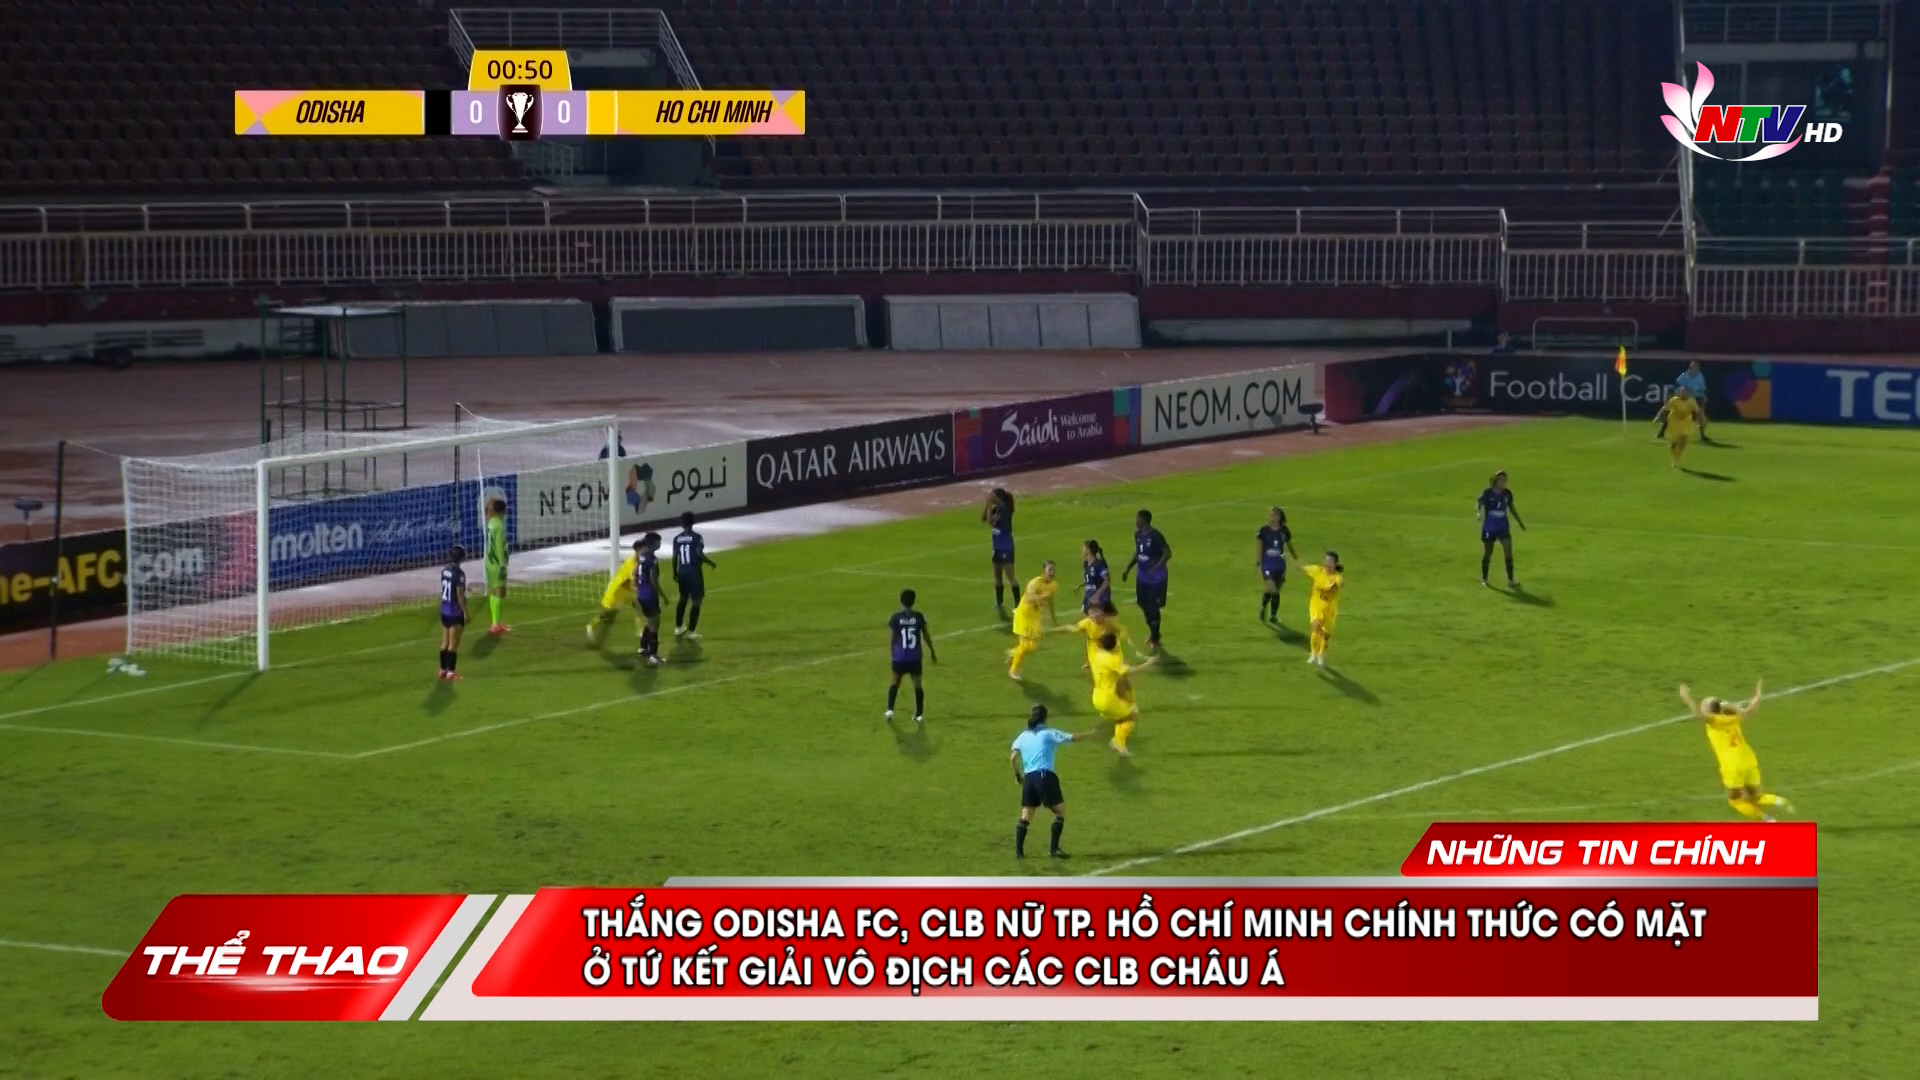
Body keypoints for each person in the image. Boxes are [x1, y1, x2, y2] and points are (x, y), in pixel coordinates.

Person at [1679, 680, 1794, 822]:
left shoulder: (1714, 722)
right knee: (1757, 796)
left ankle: (1768, 820)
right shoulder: (1734, 716)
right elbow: (1750, 710)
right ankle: (1780, 801)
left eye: (1703, 705)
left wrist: (1688, 699)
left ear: (1709, 711)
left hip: (1732, 766)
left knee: (1735, 801)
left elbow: (1700, 715)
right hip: (1748, 760)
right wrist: (1758, 694)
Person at [1008, 704, 1101, 859]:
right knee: (1059, 812)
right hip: (1045, 776)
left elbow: (1012, 759)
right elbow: (1072, 738)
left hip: (1029, 779)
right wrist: (1091, 733)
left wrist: (1017, 775)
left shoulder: (1023, 736)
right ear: (1045, 718)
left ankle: (1019, 853)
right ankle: (1054, 849)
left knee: (1026, 816)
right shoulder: (1049, 733)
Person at [1091, 630, 1157, 757]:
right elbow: (1130, 671)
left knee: (1121, 718)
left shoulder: (1096, 655)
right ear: (1114, 645)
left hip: (1096, 696)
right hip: (1108, 699)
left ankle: (1117, 742)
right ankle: (1117, 743)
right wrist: (1148, 663)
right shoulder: (1111, 660)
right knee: (1132, 715)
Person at [1120, 509, 1172, 650]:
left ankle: (1155, 638)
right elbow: (1139, 552)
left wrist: (1154, 569)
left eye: (1137, 519)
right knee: (1142, 604)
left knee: (1153, 607)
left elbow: (1167, 553)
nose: (1135, 521)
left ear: (1144, 520)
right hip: (1142, 577)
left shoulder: (1155, 535)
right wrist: (1128, 568)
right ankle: (1154, 632)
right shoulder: (1138, 535)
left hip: (1156, 579)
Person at [886, 588, 936, 724]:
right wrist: (932, 651)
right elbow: (926, 636)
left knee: (894, 683)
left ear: (900, 601)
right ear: (913, 601)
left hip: (900, 657)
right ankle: (919, 714)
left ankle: (890, 709)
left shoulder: (895, 618)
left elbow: (892, 639)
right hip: (915, 657)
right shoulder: (919, 616)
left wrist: (892, 655)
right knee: (917, 685)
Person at [1006, 560, 1059, 680]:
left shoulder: (1053, 585)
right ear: (1044, 571)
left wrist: (1053, 618)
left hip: (1035, 617)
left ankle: (1013, 653)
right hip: (1024, 614)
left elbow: (1051, 601)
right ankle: (1013, 670)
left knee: (1032, 646)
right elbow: (1029, 598)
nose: (1052, 572)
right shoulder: (1035, 583)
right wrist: (1042, 596)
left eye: (1054, 570)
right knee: (1025, 645)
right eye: (1050, 569)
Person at [586, 537, 642, 648]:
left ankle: (641, 633)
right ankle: (591, 626)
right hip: (617, 592)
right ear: (637, 550)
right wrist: (639, 589)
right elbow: (631, 581)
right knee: (608, 617)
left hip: (627, 591)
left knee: (639, 608)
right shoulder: (632, 564)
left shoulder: (638, 560)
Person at [1475, 471, 1526, 589]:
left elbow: (1511, 507)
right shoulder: (1488, 493)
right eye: (1502, 479)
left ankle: (1510, 580)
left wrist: (1519, 521)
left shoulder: (1507, 493)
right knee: (1488, 552)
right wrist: (1478, 513)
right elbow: (1479, 503)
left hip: (1503, 527)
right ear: (1496, 481)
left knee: (1508, 551)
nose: (1504, 482)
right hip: (1490, 527)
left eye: (1505, 480)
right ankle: (1484, 578)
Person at [672, 512, 717, 640]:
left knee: (683, 598)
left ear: (681, 523)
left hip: (682, 570)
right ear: (693, 522)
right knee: (697, 600)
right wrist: (710, 562)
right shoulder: (696, 537)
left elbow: (675, 556)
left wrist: (674, 572)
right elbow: (699, 554)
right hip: (694, 571)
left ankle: (678, 627)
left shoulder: (677, 538)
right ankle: (691, 631)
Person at [1057, 598, 1133, 670]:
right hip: (1094, 645)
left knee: (1112, 662)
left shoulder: (1108, 622)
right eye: (1092, 612)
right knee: (1097, 664)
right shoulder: (1087, 622)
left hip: (1109, 644)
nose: (1095, 615)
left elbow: (1119, 630)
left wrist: (1121, 636)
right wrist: (1061, 629)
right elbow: (1074, 628)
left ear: (1103, 613)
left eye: (1097, 612)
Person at [1255, 507, 1300, 623]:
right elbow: (1259, 547)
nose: (1270, 517)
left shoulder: (1284, 531)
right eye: (1270, 515)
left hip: (1280, 565)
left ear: (1279, 518)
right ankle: (1265, 609)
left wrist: (1296, 558)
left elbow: (1290, 545)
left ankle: (1272, 614)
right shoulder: (1263, 531)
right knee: (1273, 589)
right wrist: (1258, 563)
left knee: (1275, 591)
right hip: (1267, 565)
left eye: (1273, 515)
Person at [1301, 551, 1345, 667]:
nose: (1327, 563)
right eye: (1326, 560)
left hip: (1330, 608)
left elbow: (1341, 583)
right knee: (1316, 627)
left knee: (1326, 634)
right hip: (1316, 605)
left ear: (1335, 564)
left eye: (1330, 561)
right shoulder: (1318, 571)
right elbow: (1304, 567)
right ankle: (1313, 653)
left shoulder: (1336, 577)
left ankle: (1321, 653)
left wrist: (1336, 585)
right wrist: (1294, 561)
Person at [633, 533, 667, 664]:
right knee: (654, 624)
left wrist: (638, 588)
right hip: (650, 595)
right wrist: (663, 596)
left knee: (650, 621)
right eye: (658, 542)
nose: (660, 544)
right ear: (653, 544)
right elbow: (653, 580)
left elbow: (635, 573)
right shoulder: (652, 559)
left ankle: (642, 647)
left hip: (641, 594)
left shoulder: (641, 556)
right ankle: (653, 655)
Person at [983, 488, 1017, 616]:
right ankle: (999, 603)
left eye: (991, 495)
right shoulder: (996, 509)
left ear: (997, 497)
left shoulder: (1005, 509)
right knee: (997, 576)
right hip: (996, 547)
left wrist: (988, 504)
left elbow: (990, 521)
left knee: (1011, 577)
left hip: (1006, 547)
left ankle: (1018, 604)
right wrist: (987, 505)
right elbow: (985, 519)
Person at [437, 544, 468, 681]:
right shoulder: (459, 574)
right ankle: (451, 672)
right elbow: (459, 595)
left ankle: (442, 670)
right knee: (453, 645)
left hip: (444, 610)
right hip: (455, 612)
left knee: (444, 642)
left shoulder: (445, 571)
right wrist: (465, 612)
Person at [1654, 387, 1704, 470]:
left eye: (1685, 392)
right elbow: (1665, 408)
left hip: (1686, 422)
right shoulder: (1674, 400)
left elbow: (1697, 411)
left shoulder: (1692, 401)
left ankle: (1677, 460)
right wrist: (1658, 416)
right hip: (1674, 423)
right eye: (1682, 392)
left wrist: (1698, 421)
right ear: (1679, 393)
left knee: (1683, 440)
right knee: (1673, 444)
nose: (1684, 393)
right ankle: (1675, 457)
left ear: (1688, 393)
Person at [482, 497, 510, 635]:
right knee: (501, 591)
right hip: (496, 564)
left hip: (488, 562)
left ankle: (495, 622)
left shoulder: (491, 522)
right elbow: (499, 546)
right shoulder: (499, 525)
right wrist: (503, 566)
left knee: (493, 591)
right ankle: (495, 624)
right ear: (502, 511)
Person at [1667, 361, 1710, 442]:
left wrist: (1703, 393)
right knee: (1673, 413)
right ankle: (1662, 432)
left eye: (1695, 366)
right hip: (1685, 398)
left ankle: (1702, 435)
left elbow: (1703, 388)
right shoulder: (1684, 375)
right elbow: (1677, 385)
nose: (1693, 367)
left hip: (1696, 398)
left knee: (1702, 417)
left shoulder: (1700, 376)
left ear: (1698, 368)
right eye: (1692, 366)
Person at [1080, 539, 1111, 613]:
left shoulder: (1098, 565)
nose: (1082, 550)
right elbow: (1092, 579)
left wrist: (1097, 594)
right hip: (1089, 594)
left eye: (1084, 547)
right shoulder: (1086, 564)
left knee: (1094, 616)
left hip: (1097, 597)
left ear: (1088, 550)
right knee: (1086, 612)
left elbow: (1106, 581)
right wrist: (1081, 585)